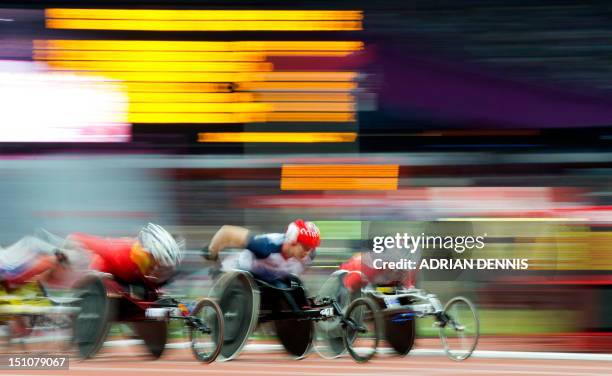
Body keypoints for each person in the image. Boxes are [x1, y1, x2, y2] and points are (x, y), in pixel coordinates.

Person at [204, 219, 320, 283]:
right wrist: (212, 253)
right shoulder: (265, 247)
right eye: (306, 247)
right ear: (292, 240)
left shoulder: (309, 256)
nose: (308, 252)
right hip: (237, 273)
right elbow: (226, 232)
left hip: (268, 280)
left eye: (311, 248)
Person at [68, 223, 184, 287]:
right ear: (145, 254)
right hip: (100, 289)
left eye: (165, 269)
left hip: (128, 289)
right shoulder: (118, 252)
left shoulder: (158, 277)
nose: (160, 272)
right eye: (156, 264)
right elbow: (75, 238)